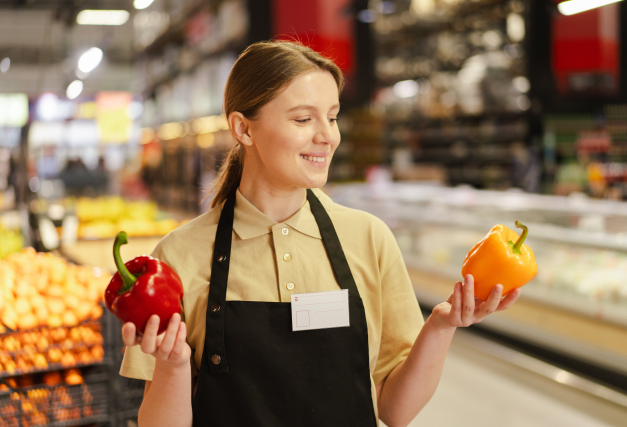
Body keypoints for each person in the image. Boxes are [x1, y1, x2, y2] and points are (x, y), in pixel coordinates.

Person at [119, 40, 521, 427]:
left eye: (331, 116)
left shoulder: (368, 238)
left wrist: (441, 326)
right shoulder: (179, 255)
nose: (328, 136)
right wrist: (172, 367)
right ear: (243, 128)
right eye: (303, 118)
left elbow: (395, 411)